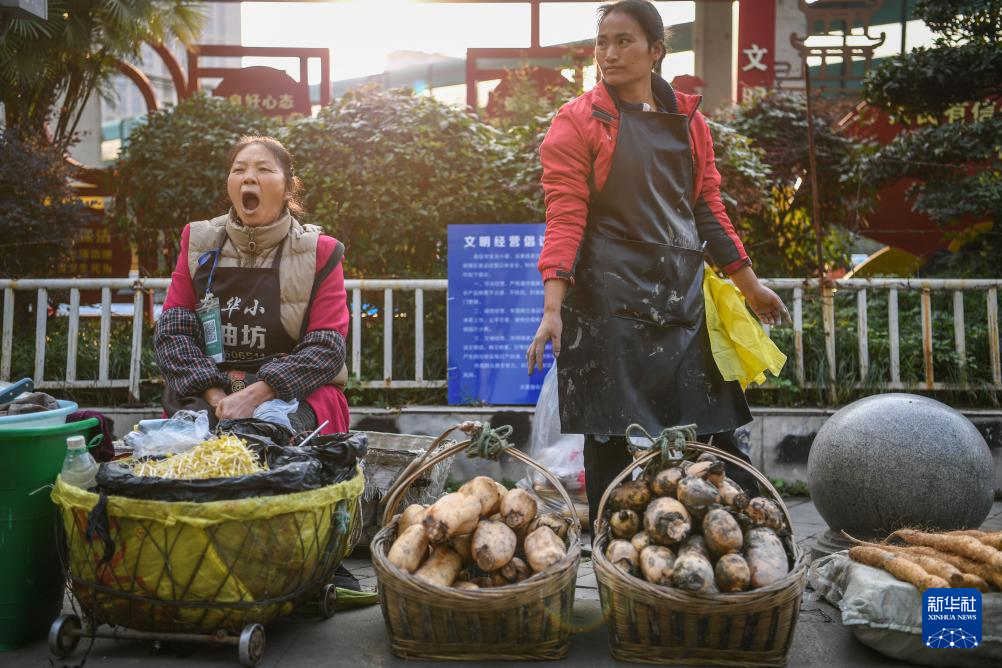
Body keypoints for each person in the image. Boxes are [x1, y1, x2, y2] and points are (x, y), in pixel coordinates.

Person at [526, 0, 790, 530]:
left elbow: (707, 210)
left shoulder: (690, 123)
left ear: (655, 51)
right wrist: (553, 307)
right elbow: (565, 217)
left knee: (706, 439)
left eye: (624, 41)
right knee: (615, 445)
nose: (609, 53)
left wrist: (751, 286)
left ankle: (703, 562)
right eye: (603, 41)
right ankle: (617, 558)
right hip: (607, 304)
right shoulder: (577, 121)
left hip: (681, 300)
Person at [155, 136, 350, 435]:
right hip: (211, 389)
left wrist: (256, 394)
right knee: (191, 449)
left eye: (263, 169)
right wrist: (217, 396)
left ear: (288, 187)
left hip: (294, 394)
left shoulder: (320, 253)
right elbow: (173, 334)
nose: (249, 177)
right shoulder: (198, 243)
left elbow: (326, 349)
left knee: (267, 442)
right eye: (239, 169)